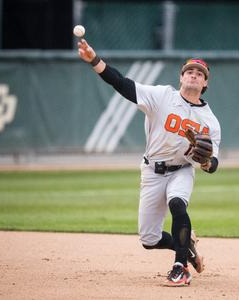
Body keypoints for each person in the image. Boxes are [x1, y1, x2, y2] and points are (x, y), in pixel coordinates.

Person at [77, 39, 221, 287]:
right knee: (149, 239)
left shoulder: (210, 122)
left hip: (182, 170)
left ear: (205, 83)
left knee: (178, 204)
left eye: (200, 74)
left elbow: (213, 164)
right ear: (181, 77)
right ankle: (187, 245)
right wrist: (94, 60)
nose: (194, 76)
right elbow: (122, 84)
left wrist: (206, 161)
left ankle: (180, 267)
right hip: (153, 170)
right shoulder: (161, 96)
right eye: (189, 72)